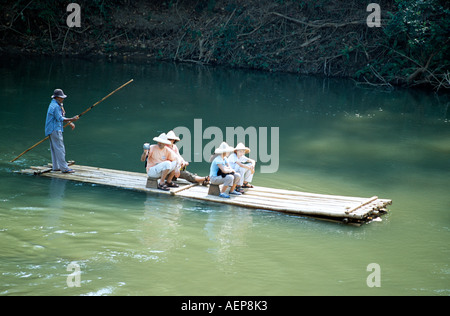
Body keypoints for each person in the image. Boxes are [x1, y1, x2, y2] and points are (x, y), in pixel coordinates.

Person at [44, 89, 79, 173]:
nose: (62, 99)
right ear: (57, 97)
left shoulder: (54, 104)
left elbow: (60, 115)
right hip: (55, 129)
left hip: (51, 129)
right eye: (61, 97)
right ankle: (64, 168)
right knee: (60, 148)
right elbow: (59, 118)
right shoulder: (56, 106)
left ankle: (56, 167)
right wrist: (72, 119)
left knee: (54, 148)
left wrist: (69, 122)